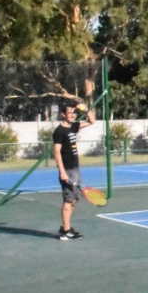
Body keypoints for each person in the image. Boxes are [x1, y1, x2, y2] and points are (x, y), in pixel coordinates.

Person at [52, 98, 97, 241]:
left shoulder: (73, 127)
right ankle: (66, 231)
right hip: (67, 170)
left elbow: (92, 121)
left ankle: (66, 227)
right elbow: (57, 152)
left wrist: (85, 109)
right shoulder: (59, 131)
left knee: (74, 199)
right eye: (70, 113)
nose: (73, 115)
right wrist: (62, 171)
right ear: (63, 114)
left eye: (74, 113)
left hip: (75, 168)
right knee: (68, 200)